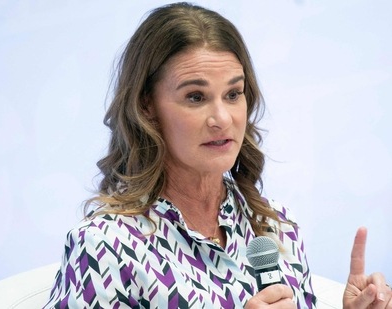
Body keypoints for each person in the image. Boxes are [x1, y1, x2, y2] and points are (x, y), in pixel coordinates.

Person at [43, 2, 391, 308]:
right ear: (147, 107)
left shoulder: (274, 227)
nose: (222, 119)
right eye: (195, 97)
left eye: (233, 94)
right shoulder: (106, 244)